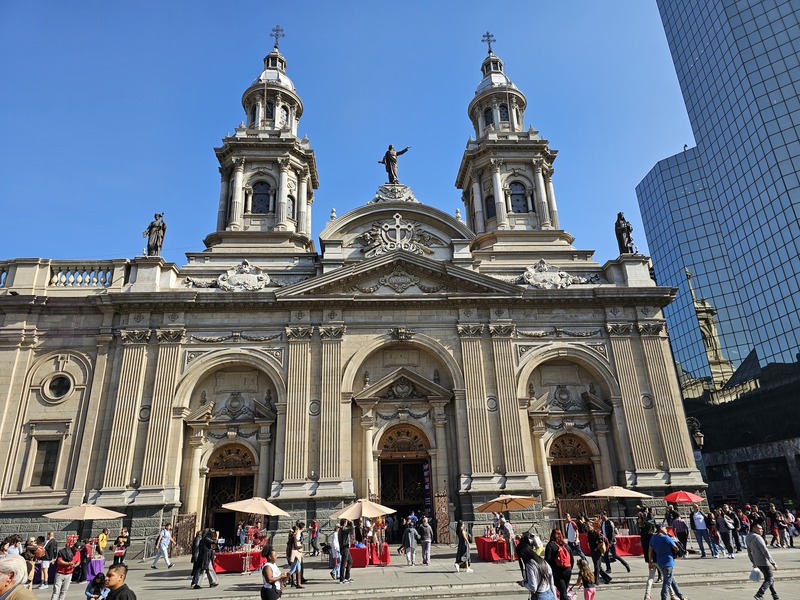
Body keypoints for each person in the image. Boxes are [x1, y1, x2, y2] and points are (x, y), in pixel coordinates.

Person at [649, 523, 688, 600]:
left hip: (660, 562)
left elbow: (650, 550)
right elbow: (676, 548)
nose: (666, 529)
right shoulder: (666, 538)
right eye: (665, 528)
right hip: (668, 561)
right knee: (667, 581)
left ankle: (681, 596)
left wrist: (650, 560)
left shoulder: (653, 538)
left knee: (672, 580)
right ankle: (663, 597)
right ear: (661, 528)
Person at [518, 533, 556, 600]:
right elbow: (551, 581)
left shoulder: (529, 565)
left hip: (540, 595)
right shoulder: (542, 561)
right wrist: (554, 596)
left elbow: (533, 587)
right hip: (549, 593)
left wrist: (523, 583)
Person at [747, 523, 779, 600]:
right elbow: (765, 551)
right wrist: (773, 563)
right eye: (760, 528)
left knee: (769, 578)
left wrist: (753, 562)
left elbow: (749, 551)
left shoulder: (748, 537)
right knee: (769, 579)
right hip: (765, 562)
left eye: (762, 528)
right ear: (754, 529)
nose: (762, 530)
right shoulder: (758, 538)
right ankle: (759, 594)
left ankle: (775, 596)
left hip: (758, 562)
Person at [544, 528, 573, 600]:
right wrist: (569, 568)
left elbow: (547, 560)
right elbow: (572, 559)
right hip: (568, 570)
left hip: (557, 572)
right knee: (564, 591)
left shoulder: (550, 545)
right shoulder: (566, 545)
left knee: (562, 592)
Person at [586, 519, 611, 585]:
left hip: (597, 551)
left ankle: (596, 581)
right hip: (592, 551)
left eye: (588, 526)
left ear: (592, 526)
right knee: (598, 567)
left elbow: (600, 542)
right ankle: (607, 578)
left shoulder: (596, 533)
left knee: (597, 567)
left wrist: (596, 549)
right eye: (587, 526)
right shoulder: (589, 533)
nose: (587, 527)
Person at [337, 519, 353, 584]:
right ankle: (342, 579)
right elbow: (351, 530)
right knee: (343, 563)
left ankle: (347, 576)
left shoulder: (342, 529)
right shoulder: (343, 529)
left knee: (350, 561)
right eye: (346, 522)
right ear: (344, 523)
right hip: (344, 548)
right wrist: (351, 523)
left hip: (346, 547)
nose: (347, 523)